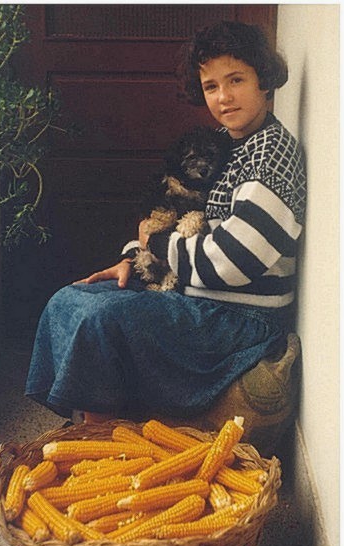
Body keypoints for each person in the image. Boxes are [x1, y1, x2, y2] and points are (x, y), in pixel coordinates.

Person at [25, 21, 306, 426]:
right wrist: (133, 260)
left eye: (236, 80)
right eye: (211, 86)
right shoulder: (221, 142)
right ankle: (96, 428)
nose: (224, 98)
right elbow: (167, 211)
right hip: (196, 294)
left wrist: (156, 246)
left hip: (241, 321)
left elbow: (232, 264)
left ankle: (102, 440)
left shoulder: (272, 156)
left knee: (102, 319)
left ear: (263, 79)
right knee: (69, 299)